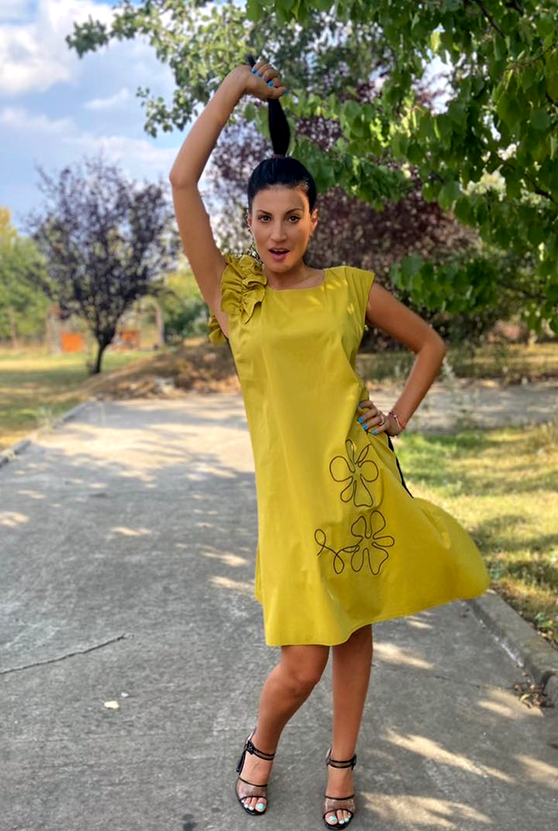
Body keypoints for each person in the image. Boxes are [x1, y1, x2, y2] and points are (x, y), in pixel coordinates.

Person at [169, 58, 491, 829]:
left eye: (293, 216)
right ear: (249, 223)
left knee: (354, 629)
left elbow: (429, 344)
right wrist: (235, 89)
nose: (278, 233)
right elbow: (182, 181)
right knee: (301, 662)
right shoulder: (235, 295)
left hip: (356, 486)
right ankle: (262, 741)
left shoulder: (349, 287)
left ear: (314, 219)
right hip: (289, 505)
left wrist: (398, 415)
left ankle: (342, 762)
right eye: (264, 218)